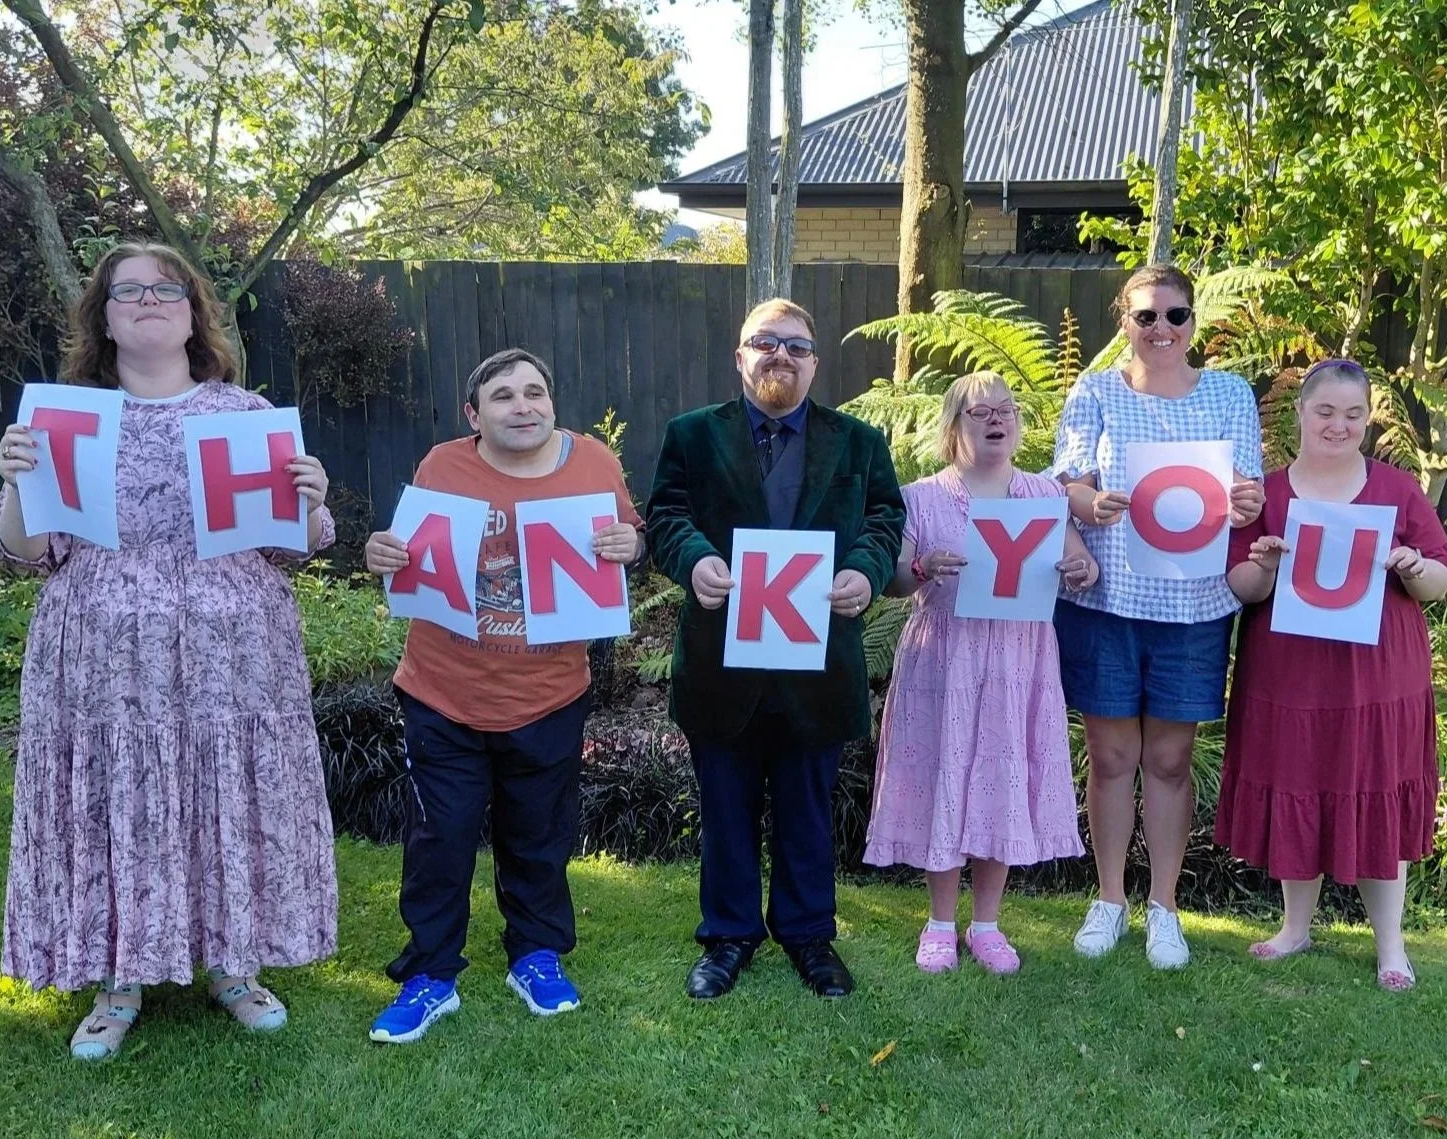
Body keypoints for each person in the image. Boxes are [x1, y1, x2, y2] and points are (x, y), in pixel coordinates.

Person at [0, 241, 338, 1059]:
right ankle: (118, 979)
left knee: (228, 795)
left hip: (232, 658)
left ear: (193, 312)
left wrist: (312, 502)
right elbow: (26, 553)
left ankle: (234, 966)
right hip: (101, 660)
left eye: (167, 289)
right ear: (102, 318)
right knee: (116, 802)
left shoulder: (242, 415)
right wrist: (14, 481)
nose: (149, 300)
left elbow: (294, 545)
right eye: (128, 290)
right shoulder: (65, 418)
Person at [363, 348, 643, 1042]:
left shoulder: (594, 463)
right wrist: (382, 555)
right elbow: (407, 554)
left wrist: (628, 547)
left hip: (549, 692)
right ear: (473, 414)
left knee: (539, 834)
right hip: (443, 692)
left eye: (534, 392)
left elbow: (630, 540)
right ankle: (431, 973)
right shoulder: (441, 466)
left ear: (551, 402)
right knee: (440, 837)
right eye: (504, 396)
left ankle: (535, 954)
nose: (523, 406)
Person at [646, 298, 905, 1000]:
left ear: (814, 363)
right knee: (726, 810)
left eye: (796, 345)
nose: (780, 355)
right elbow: (665, 513)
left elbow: (885, 518)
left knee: (806, 811)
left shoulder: (857, 442)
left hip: (817, 662)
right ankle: (727, 936)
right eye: (765, 342)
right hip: (721, 659)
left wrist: (866, 570)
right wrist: (693, 558)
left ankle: (808, 935)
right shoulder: (691, 435)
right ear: (740, 356)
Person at [1217, 359, 1447, 990]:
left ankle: (1391, 947)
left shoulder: (1398, 489)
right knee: (1299, 784)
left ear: (1367, 419)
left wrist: (1414, 567)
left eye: (1353, 414)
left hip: (1377, 681)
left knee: (1378, 794)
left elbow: (1440, 579)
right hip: (1290, 677)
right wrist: (1266, 565)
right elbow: (1241, 586)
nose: (1338, 425)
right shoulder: (1267, 494)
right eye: (1325, 411)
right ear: (1300, 413)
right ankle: (1294, 928)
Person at [1051, 263, 1264, 969]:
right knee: (1110, 757)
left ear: (1193, 323)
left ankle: (1164, 908)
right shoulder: (1094, 391)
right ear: (1125, 322)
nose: (1161, 328)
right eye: (1146, 316)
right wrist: (1090, 504)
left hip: (1194, 605)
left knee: (1170, 760)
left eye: (1174, 315)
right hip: (1106, 600)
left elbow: (1248, 493)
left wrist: (1246, 504)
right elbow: (1068, 483)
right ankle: (1109, 899)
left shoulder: (1230, 394)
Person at [864, 372, 1095, 973]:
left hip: (1020, 662)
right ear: (953, 426)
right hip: (945, 660)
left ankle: (987, 924)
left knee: (1003, 780)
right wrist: (921, 567)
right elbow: (893, 581)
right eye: (980, 411)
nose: (997, 419)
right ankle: (940, 923)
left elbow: (1081, 563)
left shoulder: (1045, 493)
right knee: (944, 776)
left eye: (1006, 409)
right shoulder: (921, 498)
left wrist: (1080, 572)